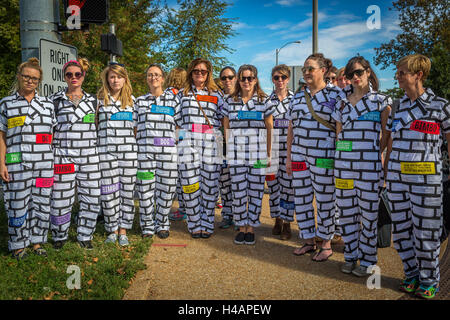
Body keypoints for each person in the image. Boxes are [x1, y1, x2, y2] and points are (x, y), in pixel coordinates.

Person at [385, 54, 450, 299]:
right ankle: (411, 274)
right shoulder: (398, 107)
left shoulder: (440, 106)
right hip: (397, 180)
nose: (398, 77)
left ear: (418, 75)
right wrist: (386, 171)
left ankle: (429, 280)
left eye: (402, 73)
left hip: (427, 183)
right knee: (401, 232)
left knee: (426, 231)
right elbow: (390, 142)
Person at [332, 56, 392, 276]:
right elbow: (339, 134)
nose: (355, 77)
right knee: (347, 214)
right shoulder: (341, 102)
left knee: (368, 216)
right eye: (350, 74)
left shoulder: (381, 100)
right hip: (344, 167)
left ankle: (368, 260)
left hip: (369, 168)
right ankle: (350, 256)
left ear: (368, 72)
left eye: (359, 72)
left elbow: (387, 134)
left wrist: (374, 153)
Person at [286, 53, 340, 261]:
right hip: (300, 156)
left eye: (311, 69)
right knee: (302, 199)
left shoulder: (336, 96)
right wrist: (289, 157)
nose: (306, 72)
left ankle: (325, 243)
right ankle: (308, 240)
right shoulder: (298, 97)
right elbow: (291, 127)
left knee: (326, 200)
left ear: (323, 71)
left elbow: (339, 128)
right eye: (304, 69)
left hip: (324, 157)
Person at [0, 57, 55, 260]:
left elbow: (52, 134)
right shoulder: (6, 103)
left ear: (39, 81)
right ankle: (18, 244)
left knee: (41, 202)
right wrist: (1, 163)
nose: (30, 81)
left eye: (34, 78)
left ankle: (37, 241)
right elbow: (2, 136)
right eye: (26, 77)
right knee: (17, 203)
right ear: (19, 77)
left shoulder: (48, 105)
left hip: (43, 165)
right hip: (16, 164)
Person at [50, 58, 101, 250]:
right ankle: (59, 234)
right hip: (63, 156)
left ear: (83, 76)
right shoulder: (54, 100)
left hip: (89, 157)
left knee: (92, 196)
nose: (73, 77)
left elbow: (97, 126)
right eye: (69, 74)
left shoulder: (94, 100)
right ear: (64, 77)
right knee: (62, 198)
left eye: (77, 74)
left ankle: (85, 234)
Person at [222, 64, 274, 245]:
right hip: (236, 155)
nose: (246, 82)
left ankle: (251, 227)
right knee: (238, 192)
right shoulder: (230, 101)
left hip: (258, 155)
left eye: (249, 78)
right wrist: (228, 152)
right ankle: (241, 225)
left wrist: (269, 154)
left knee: (256, 191)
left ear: (256, 80)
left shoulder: (264, 101)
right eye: (243, 78)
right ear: (238, 80)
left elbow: (269, 128)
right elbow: (226, 128)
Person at [175, 58, 223, 239]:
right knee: (190, 185)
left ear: (209, 73)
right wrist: (180, 142)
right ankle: (195, 223)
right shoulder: (182, 94)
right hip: (188, 145)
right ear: (190, 73)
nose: (200, 74)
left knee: (210, 187)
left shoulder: (217, 95)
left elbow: (223, 119)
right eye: (196, 71)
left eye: (203, 71)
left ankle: (207, 223)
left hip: (211, 144)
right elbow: (176, 121)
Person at [135, 64, 179, 239]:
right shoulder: (139, 101)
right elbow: (135, 128)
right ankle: (146, 225)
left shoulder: (174, 101)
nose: (153, 78)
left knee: (167, 189)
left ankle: (162, 223)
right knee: (145, 189)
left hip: (167, 154)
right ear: (147, 79)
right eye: (150, 75)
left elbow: (180, 126)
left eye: (157, 75)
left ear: (162, 78)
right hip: (145, 154)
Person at [97, 62, 137, 246]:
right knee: (109, 191)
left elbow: (136, 130)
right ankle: (112, 229)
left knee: (127, 192)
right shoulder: (99, 100)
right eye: (112, 76)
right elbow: (95, 126)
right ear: (107, 79)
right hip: (106, 153)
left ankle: (123, 230)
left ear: (125, 79)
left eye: (119, 76)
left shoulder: (133, 102)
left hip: (128, 154)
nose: (115, 80)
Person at [266, 64, 294, 240]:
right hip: (272, 150)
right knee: (274, 187)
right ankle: (277, 218)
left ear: (288, 79)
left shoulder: (296, 100)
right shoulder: (267, 101)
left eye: (283, 77)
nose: (280, 81)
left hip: (290, 150)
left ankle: (287, 222)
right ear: (272, 79)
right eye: (276, 77)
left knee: (289, 188)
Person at [164, 67, 188, 222]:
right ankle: (185, 208)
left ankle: (181, 209)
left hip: (166, 140)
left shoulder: (166, 93)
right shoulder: (185, 94)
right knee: (184, 177)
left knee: (175, 178)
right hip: (182, 139)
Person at [217, 66, 237, 230]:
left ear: (235, 78)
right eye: (224, 78)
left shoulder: (243, 97)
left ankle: (239, 217)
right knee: (224, 183)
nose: (227, 80)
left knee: (238, 183)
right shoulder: (218, 97)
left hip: (239, 148)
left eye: (230, 77)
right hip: (220, 146)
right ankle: (227, 215)